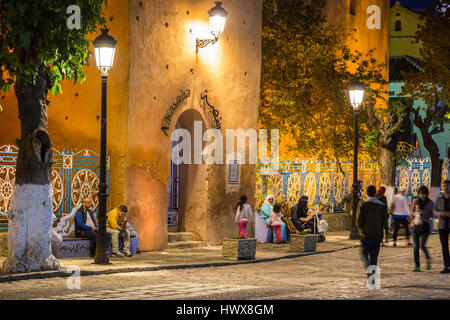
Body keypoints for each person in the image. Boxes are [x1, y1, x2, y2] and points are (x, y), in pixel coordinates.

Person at [356, 185, 388, 276]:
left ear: (366, 193)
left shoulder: (363, 204)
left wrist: (360, 230)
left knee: (364, 253)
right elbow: (385, 220)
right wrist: (386, 233)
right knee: (374, 257)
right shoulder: (381, 205)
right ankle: (372, 280)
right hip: (378, 235)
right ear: (375, 193)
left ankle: (369, 270)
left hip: (366, 234)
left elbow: (359, 220)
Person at [410, 185, 434, 272]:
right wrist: (414, 214)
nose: (422, 195)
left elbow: (432, 215)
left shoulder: (430, 203)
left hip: (425, 226)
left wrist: (424, 213)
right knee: (415, 246)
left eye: (423, 194)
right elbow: (411, 212)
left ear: (426, 194)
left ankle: (428, 259)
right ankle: (417, 266)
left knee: (422, 246)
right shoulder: (415, 201)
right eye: (420, 193)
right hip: (415, 226)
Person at [434, 180, 450, 274]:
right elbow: (434, 211)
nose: (446, 187)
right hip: (442, 226)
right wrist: (441, 213)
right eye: (444, 186)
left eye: (447, 186)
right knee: (444, 247)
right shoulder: (439, 199)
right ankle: (447, 266)